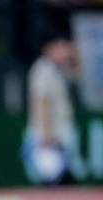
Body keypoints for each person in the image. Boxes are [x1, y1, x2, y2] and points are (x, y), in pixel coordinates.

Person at [25, 31, 80, 185]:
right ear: (50, 48)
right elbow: (41, 102)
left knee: (63, 182)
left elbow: (79, 75)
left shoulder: (59, 69)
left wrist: (74, 56)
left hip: (61, 135)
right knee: (54, 183)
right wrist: (47, 136)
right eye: (62, 47)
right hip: (48, 138)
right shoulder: (43, 70)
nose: (66, 51)